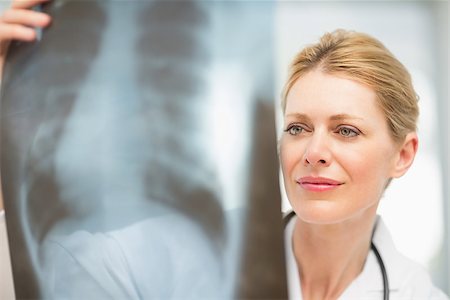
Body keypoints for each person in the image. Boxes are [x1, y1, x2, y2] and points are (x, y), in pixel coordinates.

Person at [280, 29, 448, 299]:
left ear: (403, 155)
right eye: (298, 128)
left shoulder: (416, 294)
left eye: (346, 131)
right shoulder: (212, 255)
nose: (313, 152)